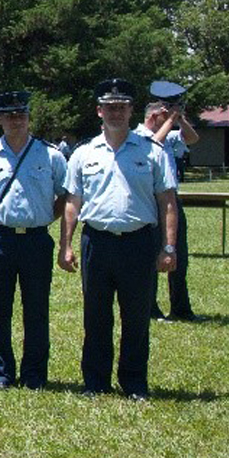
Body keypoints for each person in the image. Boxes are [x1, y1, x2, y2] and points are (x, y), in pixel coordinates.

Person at [58, 78, 179, 399]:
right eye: (109, 107)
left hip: (139, 243)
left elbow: (167, 201)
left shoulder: (151, 152)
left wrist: (168, 247)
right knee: (95, 316)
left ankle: (134, 383)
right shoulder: (83, 153)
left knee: (136, 318)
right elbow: (72, 202)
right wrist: (66, 244)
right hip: (97, 243)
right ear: (99, 111)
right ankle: (95, 382)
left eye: (121, 107)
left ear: (131, 111)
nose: (115, 113)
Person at [0, 91, 66, 389]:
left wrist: (45, 218)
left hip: (36, 240)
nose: (16, 120)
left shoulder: (50, 155)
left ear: (28, 116)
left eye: (21, 114)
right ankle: (2, 372)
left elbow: (65, 195)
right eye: (9, 115)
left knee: (36, 309)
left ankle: (35, 374)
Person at [144, 82, 201, 320]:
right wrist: (167, 121)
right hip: (149, 201)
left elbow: (192, 139)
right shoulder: (139, 135)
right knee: (151, 258)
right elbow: (153, 145)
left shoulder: (172, 136)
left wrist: (180, 120)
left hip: (171, 200)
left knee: (179, 255)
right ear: (154, 115)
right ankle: (151, 308)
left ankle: (181, 307)